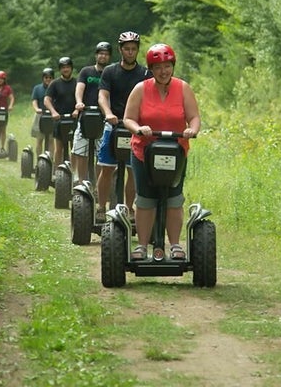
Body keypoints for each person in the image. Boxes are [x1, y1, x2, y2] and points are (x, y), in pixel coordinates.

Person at [123, 43, 200, 261]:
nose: (163, 71)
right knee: (146, 198)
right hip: (144, 151)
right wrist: (138, 128)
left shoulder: (183, 88)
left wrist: (191, 130)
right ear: (151, 69)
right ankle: (142, 246)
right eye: (158, 67)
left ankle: (175, 245)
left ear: (173, 66)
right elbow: (128, 118)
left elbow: (194, 117)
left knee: (174, 198)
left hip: (176, 150)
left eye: (167, 66)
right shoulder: (141, 89)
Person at [95, 31, 150, 222]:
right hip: (114, 125)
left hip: (135, 128)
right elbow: (102, 95)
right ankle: (101, 207)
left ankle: (129, 208)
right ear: (120, 50)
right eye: (126, 49)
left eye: (133, 49)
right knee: (107, 169)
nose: (130, 52)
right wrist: (108, 113)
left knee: (133, 170)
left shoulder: (144, 73)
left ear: (137, 50)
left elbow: (149, 99)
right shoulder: (110, 71)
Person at [72, 42, 112, 182]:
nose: (103, 56)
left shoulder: (111, 72)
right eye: (101, 53)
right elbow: (79, 89)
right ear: (96, 55)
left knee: (100, 154)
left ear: (109, 57)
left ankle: (96, 183)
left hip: (104, 118)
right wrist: (79, 102)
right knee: (80, 151)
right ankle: (82, 182)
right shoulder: (86, 71)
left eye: (106, 54)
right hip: (86, 115)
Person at [43, 57, 77, 167]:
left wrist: (77, 110)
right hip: (59, 119)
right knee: (59, 147)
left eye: (68, 67)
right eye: (63, 68)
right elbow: (47, 100)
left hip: (74, 118)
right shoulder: (55, 83)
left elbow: (81, 99)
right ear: (60, 70)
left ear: (71, 68)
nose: (66, 70)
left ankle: (72, 172)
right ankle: (57, 171)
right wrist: (53, 112)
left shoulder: (77, 83)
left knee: (74, 147)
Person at [30, 67, 54, 157]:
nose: (48, 79)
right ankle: (39, 158)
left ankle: (51, 159)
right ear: (43, 78)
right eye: (46, 77)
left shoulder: (54, 87)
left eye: (50, 78)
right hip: (40, 115)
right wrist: (36, 109)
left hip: (52, 115)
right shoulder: (37, 88)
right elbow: (34, 100)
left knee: (51, 139)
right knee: (39, 139)